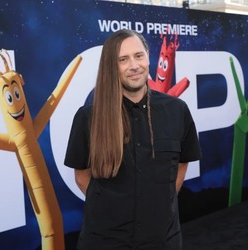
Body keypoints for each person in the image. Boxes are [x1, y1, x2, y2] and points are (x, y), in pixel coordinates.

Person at [64, 29, 201, 250]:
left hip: (162, 240)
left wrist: (157, 202)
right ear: (112, 66)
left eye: (138, 56)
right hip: (104, 242)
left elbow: (182, 164)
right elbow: (81, 176)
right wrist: (114, 209)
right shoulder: (88, 117)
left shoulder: (178, 110)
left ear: (148, 57)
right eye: (123, 59)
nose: (134, 65)